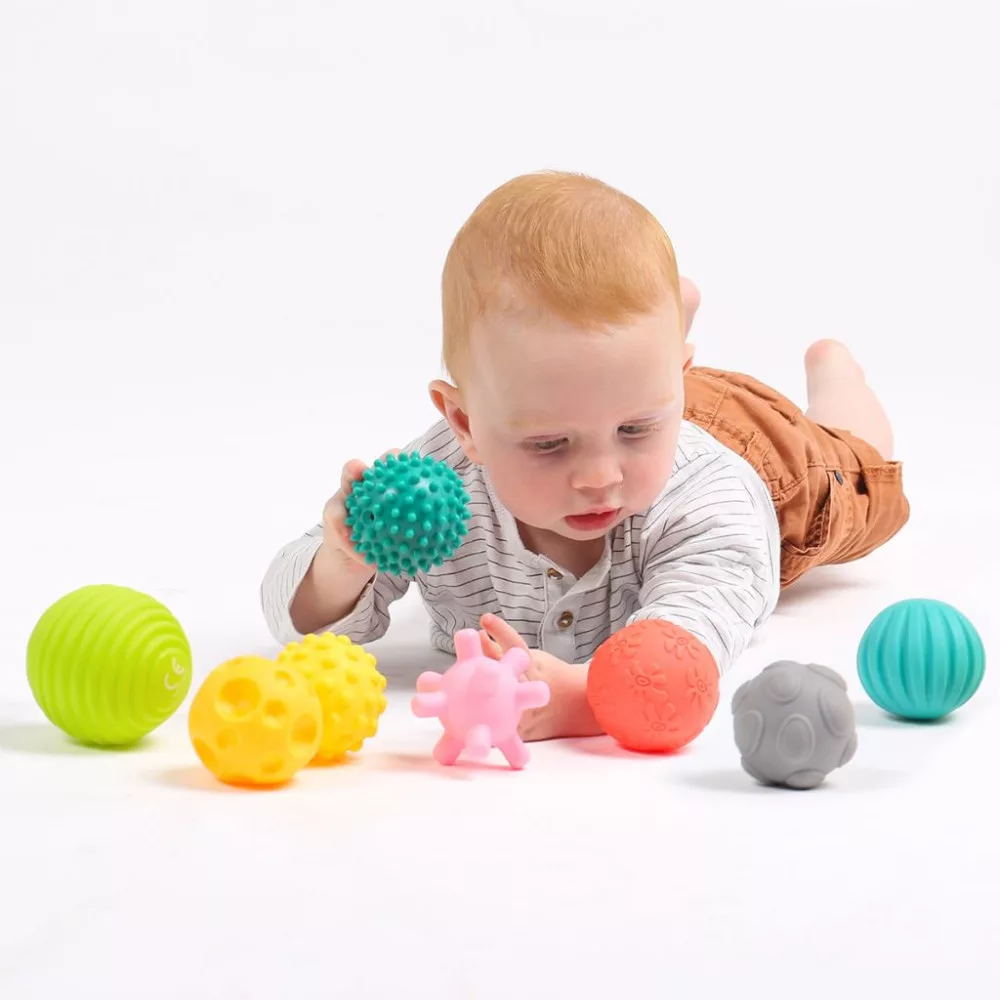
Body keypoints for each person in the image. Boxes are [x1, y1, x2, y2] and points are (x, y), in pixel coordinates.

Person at [260, 171, 909, 742]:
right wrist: (343, 564)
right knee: (620, 382)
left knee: (852, 471)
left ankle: (834, 374)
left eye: (631, 433)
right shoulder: (437, 481)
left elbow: (687, 645)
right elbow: (295, 625)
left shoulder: (712, 503)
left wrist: (586, 697)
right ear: (464, 423)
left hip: (766, 457)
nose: (600, 477)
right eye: (548, 444)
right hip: (635, 386)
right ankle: (656, 328)